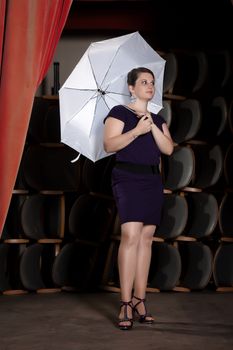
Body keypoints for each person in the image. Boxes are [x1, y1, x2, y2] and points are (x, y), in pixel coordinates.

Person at [103, 67, 174, 330]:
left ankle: (139, 300)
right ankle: (124, 303)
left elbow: (167, 149)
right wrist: (137, 131)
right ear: (131, 88)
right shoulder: (119, 113)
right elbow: (109, 145)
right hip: (127, 178)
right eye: (143, 82)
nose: (149, 85)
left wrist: (151, 125)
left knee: (146, 239)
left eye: (151, 82)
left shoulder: (157, 118)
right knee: (131, 236)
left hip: (152, 180)